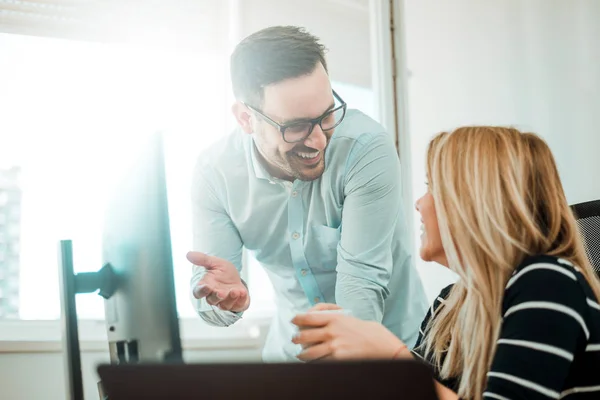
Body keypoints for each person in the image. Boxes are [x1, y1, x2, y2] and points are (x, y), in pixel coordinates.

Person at [291, 126, 600, 400]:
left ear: (476, 204)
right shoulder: (449, 305)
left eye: (433, 188)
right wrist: (358, 361)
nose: (419, 202)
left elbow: (416, 385)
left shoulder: (548, 283)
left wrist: (390, 356)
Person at [186, 25, 428, 362]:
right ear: (246, 118)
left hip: (390, 353)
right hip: (293, 359)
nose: (318, 140)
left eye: (327, 115)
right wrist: (222, 301)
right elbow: (210, 295)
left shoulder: (365, 148)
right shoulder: (215, 174)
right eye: (296, 126)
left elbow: (361, 288)